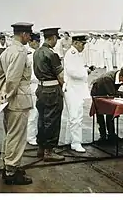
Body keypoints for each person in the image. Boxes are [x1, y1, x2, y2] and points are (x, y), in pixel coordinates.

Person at [0, 23, 34, 185]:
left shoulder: (8, 51)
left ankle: (9, 164)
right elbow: (13, 79)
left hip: (10, 101)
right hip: (18, 100)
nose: (30, 38)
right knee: (17, 136)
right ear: (23, 34)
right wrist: (7, 96)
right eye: (29, 35)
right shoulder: (20, 52)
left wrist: (0, 96)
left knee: (10, 134)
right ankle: (11, 171)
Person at [33, 27, 65, 162]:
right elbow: (61, 76)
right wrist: (64, 87)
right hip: (52, 90)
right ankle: (49, 151)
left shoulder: (37, 52)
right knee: (52, 120)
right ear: (53, 38)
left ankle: (41, 147)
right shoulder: (52, 54)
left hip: (41, 88)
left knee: (42, 119)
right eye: (56, 39)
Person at [63, 34, 95, 152]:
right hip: (72, 89)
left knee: (74, 116)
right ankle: (76, 143)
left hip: (76, 89)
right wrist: (85, 73)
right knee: (75, 117)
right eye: (82, 44)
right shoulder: (71, 54)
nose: (84, 46)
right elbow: (73, 72)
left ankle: (69, 140)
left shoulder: (76, 54)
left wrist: (86, 70)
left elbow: (77, 70)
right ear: (75, 43)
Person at [90, 66, 123, 144]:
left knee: (111, 113)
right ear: (121, 77)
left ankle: (111, 134)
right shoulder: (108, 78)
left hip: (109, 92)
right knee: (100, 115)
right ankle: (103, 136)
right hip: (98, 92)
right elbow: (112, 93)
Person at [26, 32, 41, 146]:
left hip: (39, 84)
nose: (37, 44)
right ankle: (30, 136)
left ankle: (34, 134)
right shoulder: (28, 53)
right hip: (32, 84)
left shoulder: (37, 53)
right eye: (36, 42)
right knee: (33, 112)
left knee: (38, 112)